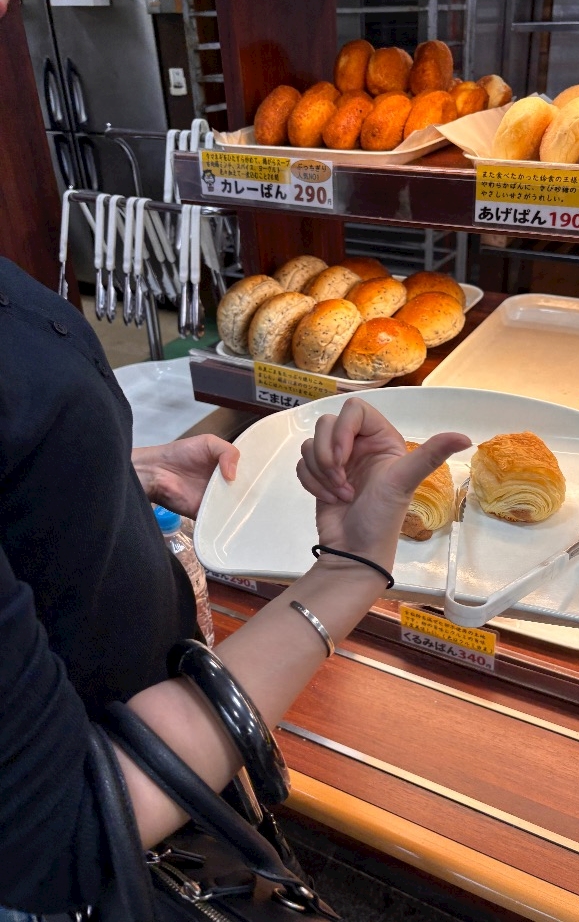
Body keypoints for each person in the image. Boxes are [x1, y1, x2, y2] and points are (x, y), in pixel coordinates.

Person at [0, 245, 470, 921]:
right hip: (121, 827)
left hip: (167, 728)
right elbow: (63, 833)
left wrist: (113, 471)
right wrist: (350, 569)